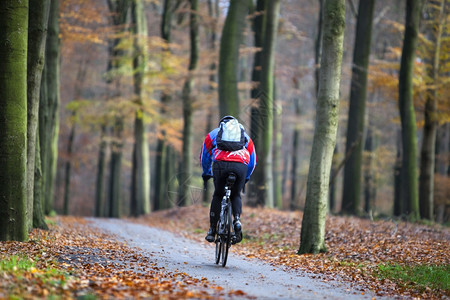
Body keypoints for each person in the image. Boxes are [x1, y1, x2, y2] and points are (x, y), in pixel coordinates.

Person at [200, 115, 256, 244]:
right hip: (240, 167)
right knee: (235, 194)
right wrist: (245, 178)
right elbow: (253, 162)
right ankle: (236, 220)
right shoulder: (246, 137)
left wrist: (206, 172)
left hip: (220, 166)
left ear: (221, 125)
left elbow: (205, 157)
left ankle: (212, 230)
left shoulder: (213, 134)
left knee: (218, 195)